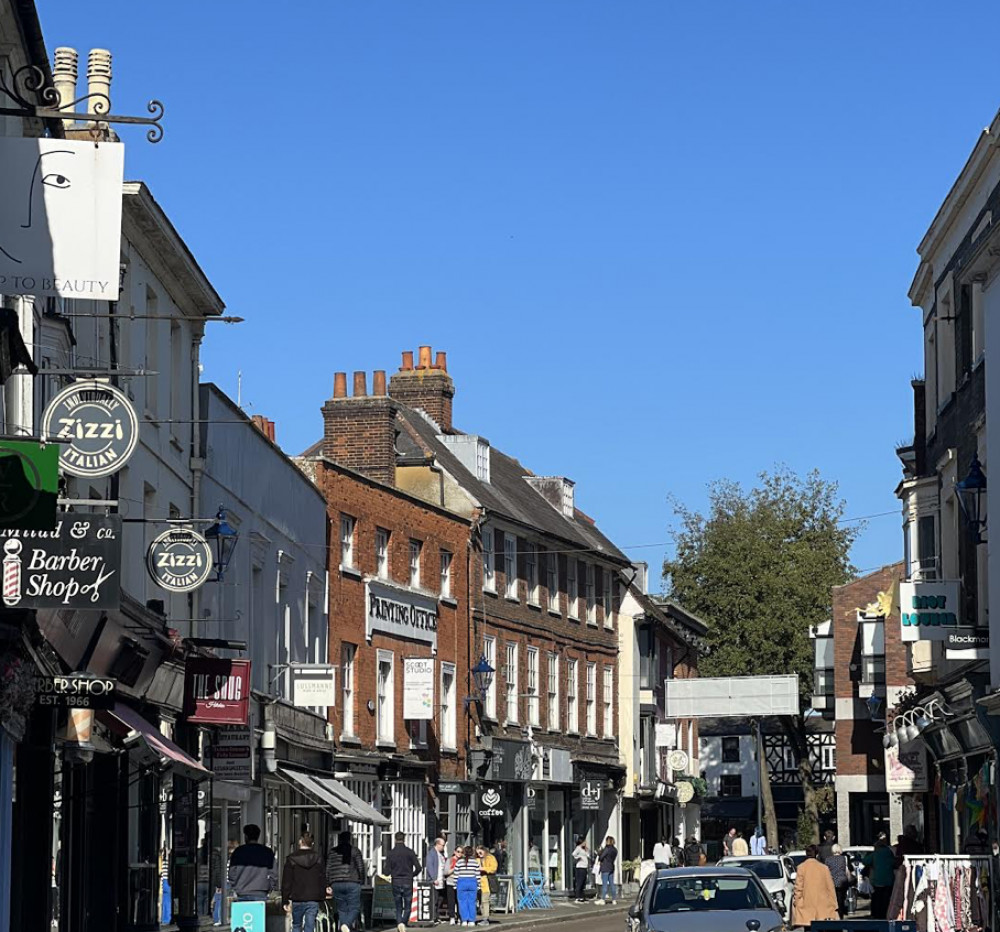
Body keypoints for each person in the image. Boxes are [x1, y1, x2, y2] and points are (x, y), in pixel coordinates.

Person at [281, 833, 330, 932]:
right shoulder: (318, 858)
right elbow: (322, 878)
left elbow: (287, 881)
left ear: (300, 842)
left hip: (297, 897)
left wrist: (285, 899)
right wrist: (322, 895)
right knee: (310, 926)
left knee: (296, 925)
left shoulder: (291, 859)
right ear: (312, 843)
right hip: (313, 897)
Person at [326, 830, 366, 932]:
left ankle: (344, 927)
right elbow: (360, 867)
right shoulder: (355, 851)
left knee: (341, 909)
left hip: (336, 882)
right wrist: (362, 880)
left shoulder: (332, 852)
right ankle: (346, 925)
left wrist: (328, 883)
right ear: (349, 839)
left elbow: (328, 868)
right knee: (354, 907)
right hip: (352, 881)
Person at [792, 844, 838, 928]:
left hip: (807, 904)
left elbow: (798, 888)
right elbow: (830, 887)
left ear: (806, 854)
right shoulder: (824, 868)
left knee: (808, 928)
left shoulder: (801, 867)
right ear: (817, 854)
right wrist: (834, 904)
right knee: (821, 927)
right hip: (823, 905)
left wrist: (797, 902)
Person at [228, 825, 277, 902]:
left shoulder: (238, 851)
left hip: (241, 891)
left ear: (246, 836)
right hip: (261, 891)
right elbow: (273, 874)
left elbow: (232, 873)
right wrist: (269, 886)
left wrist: (235, 886)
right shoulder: (267, 852)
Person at [386, 832, 421, 932]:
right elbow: (418, 868)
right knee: (408, 905)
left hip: (396, 881)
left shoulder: (391, 853)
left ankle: (399, 923)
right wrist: (411, 875)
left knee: (398, 906)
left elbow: (387, 871)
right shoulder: (410, 852)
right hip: (407, 881)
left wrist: (390, 872)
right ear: (404, 839)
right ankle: (403, 922)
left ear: (395, 839)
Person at [863, 833, 896, 920]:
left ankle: (877, 915)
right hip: (889, 880)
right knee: (886, 899)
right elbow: (894, 863)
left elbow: (865, 861)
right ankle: (885, 914)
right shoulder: (889, 852)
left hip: (877, 880)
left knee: (877, 898)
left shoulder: (875, 853)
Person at [453, 846, 481, 927]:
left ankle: (464, 920)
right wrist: (478, 885)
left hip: (461, 882)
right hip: (472, 882)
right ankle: (472, 920)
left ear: (464, 853)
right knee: (472, 902)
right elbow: (477, 875)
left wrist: (455, 885)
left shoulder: (459, 862)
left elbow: (456, 874)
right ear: (472, 853)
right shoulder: (475, 862)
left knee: (462, 902)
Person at [825, 843, 853, 918]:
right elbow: (846, 870)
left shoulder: (828, 859)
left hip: (832, 882)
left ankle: (834, 914)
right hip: (842, 882)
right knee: (841, 899)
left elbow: (826, 871)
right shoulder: (844, 858)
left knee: (833, 900)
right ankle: (841, 914)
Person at [476, 845, 498, 926]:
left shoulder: (490, 858)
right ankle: (484, 917)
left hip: (487, 883)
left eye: (480, 852)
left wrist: (483, 868)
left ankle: (485, 919)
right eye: (477, 853)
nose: (479, 854)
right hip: (478, 883)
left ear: (484, 850)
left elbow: (494, 868)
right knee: (481, 901)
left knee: (485, 900)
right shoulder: (477, 859)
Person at [426, 837, 447, 919]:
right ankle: (434, 917)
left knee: (440, 898)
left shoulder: (441, 853)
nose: (443, 847)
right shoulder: (432, 853)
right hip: (435, 881)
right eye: (442, 845)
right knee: (434, 899)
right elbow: (429, 866)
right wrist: (434, 879)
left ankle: (436, 915)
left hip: (442, 880)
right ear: (437, 844)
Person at [595, 836, 618, 905]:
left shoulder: (607, 849)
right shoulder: (615, 850)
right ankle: (614, 899)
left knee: (604, 884)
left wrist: (599, 853)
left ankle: (603, 899)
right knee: (612, 884)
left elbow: (601, 857)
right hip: (611, 867)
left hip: (605, 867)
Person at [444, 844, 460, 924]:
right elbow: (446, 872)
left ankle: (460, 917)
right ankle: (452, 917)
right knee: (451, 901)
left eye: (461, 852)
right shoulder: (449, 860)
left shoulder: (463, 861)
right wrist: (454, 868)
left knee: (459, 901)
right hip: (450, 882)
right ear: (454, 852)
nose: (459, 854)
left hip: (460, 883)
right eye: (458, 852)